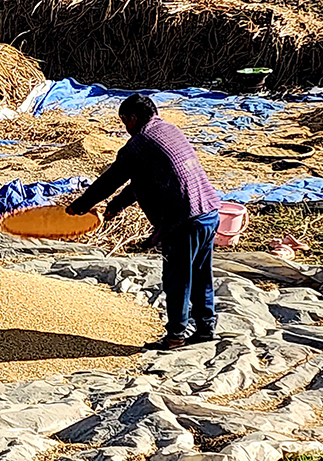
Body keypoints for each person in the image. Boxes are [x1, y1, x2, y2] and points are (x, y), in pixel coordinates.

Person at [66, 94, 221, 351]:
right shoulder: (169, 130)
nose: (125, 127)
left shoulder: (138, 145)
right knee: (202, 275)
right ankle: (206, 329)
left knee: (177, 279)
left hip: (184, 220)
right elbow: (138, 183)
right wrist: (113, 208)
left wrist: (80, 207)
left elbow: (110, 180)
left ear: (133, 118)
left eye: (125, 121)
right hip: (209, 213)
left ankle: (175, 337)